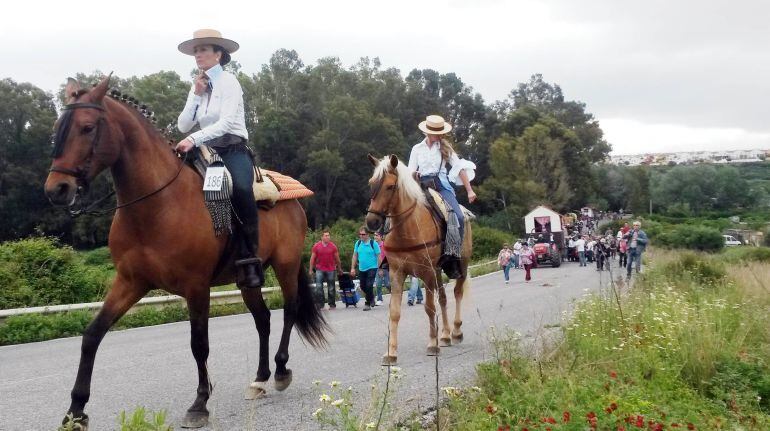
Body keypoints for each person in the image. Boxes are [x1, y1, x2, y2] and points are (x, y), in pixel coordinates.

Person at [175, 29, 263, 289]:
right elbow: (183, 125)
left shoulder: (229, 82)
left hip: (232, 148)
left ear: (218, 54)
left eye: (203, 50)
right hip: (206, 151)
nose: (198, 55)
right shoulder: (200, 86)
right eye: (196, 51)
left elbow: (225, 123)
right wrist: (195, 93)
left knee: (242, 189)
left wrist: (194, 139)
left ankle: (250, 257)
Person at [407, 115, 477, 277]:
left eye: (440, 132)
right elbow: (410, 169)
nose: (439, 135)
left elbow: (459, 168)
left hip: (441, 185)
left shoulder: (446, 148)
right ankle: (396, 254)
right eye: (435, 132)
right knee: (401, 211)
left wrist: (469, 190)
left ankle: (452, 258)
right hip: (421, 185)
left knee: (458, 217)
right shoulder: (417, 149)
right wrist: (414, 174)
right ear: (427, 132)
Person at [309, 230, 342, 309]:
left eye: (328, 235)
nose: (328, 237)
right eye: (326, 235)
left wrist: (339, 269)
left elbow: (337, 259)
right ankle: (321, 304)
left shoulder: (333, 246)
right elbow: (312, 258)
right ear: (322, 237)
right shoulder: (316, 246)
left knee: (331, 288)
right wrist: (310, 269)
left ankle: (332, 304)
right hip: (319, 269)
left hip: (331, 269)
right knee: (319, 287)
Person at [351, 227, 381, 311]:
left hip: (372, 267)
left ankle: (367, 303)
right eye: (360, 234)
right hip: (361, 268)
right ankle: (371, 297)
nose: (361, 236)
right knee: (362, 286)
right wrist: (352, 268)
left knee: (369, 285)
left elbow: (379, 256)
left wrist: (380, 268)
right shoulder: (358, 243)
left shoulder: (373, 243)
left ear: (367, 235)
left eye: (363, 234)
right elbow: (355, 255)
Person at [373, 232, 390, 306]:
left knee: (387, 284)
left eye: (376, 235)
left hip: (385, 267)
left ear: (381, 236)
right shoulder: (373, 245)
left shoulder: (385, 245)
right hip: (377, 267)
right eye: (374, 235)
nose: (375, 237)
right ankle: (379, 299)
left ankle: (394, 294)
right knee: (378, 284)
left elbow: (388, 256)